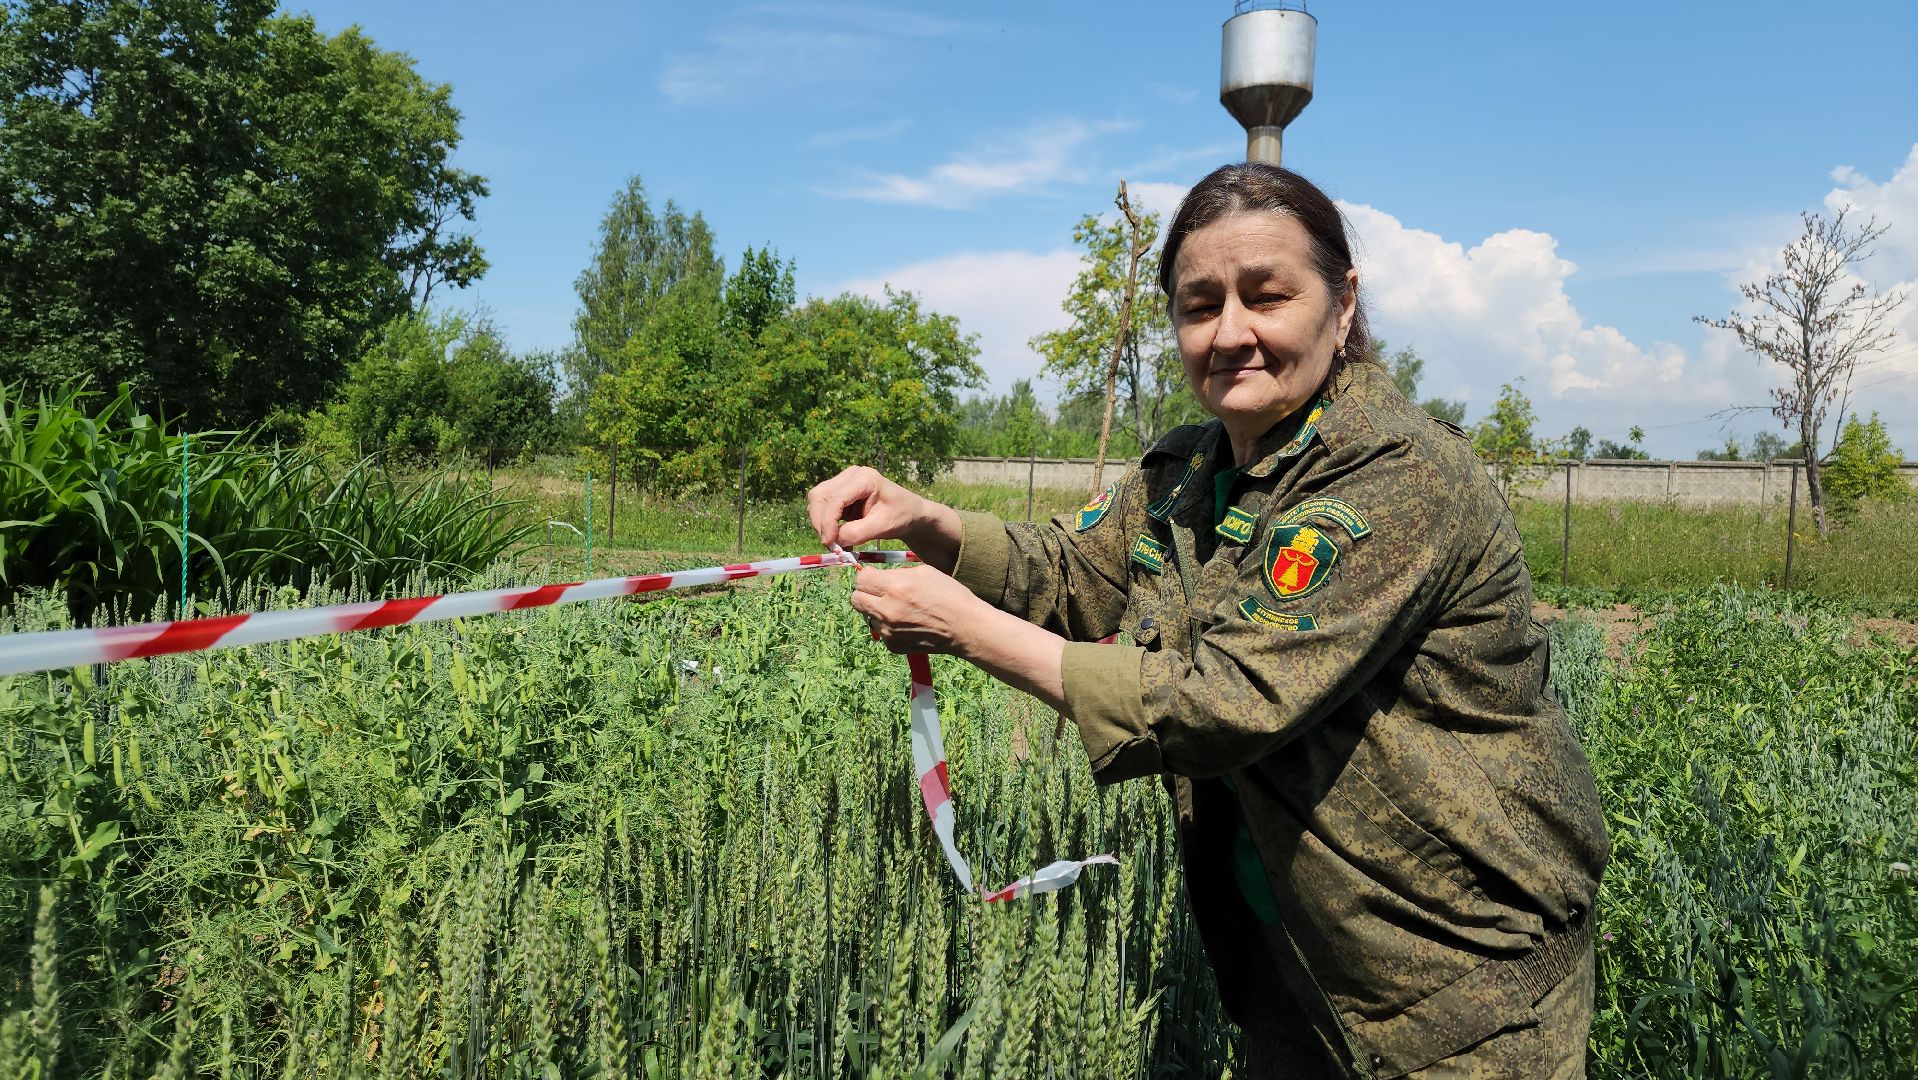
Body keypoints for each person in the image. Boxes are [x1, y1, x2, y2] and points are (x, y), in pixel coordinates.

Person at [806, 162, 1608, 1079]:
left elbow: (1227, 702)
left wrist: (965, 630)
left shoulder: (1395, 473)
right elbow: (1075, 572)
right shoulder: (1188, 468)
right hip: (1297, 971)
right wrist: (926, 521)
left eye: (1267, 296)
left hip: (1456, 994)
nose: (1231, 333)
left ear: (1344, 305)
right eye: (1199, 305)